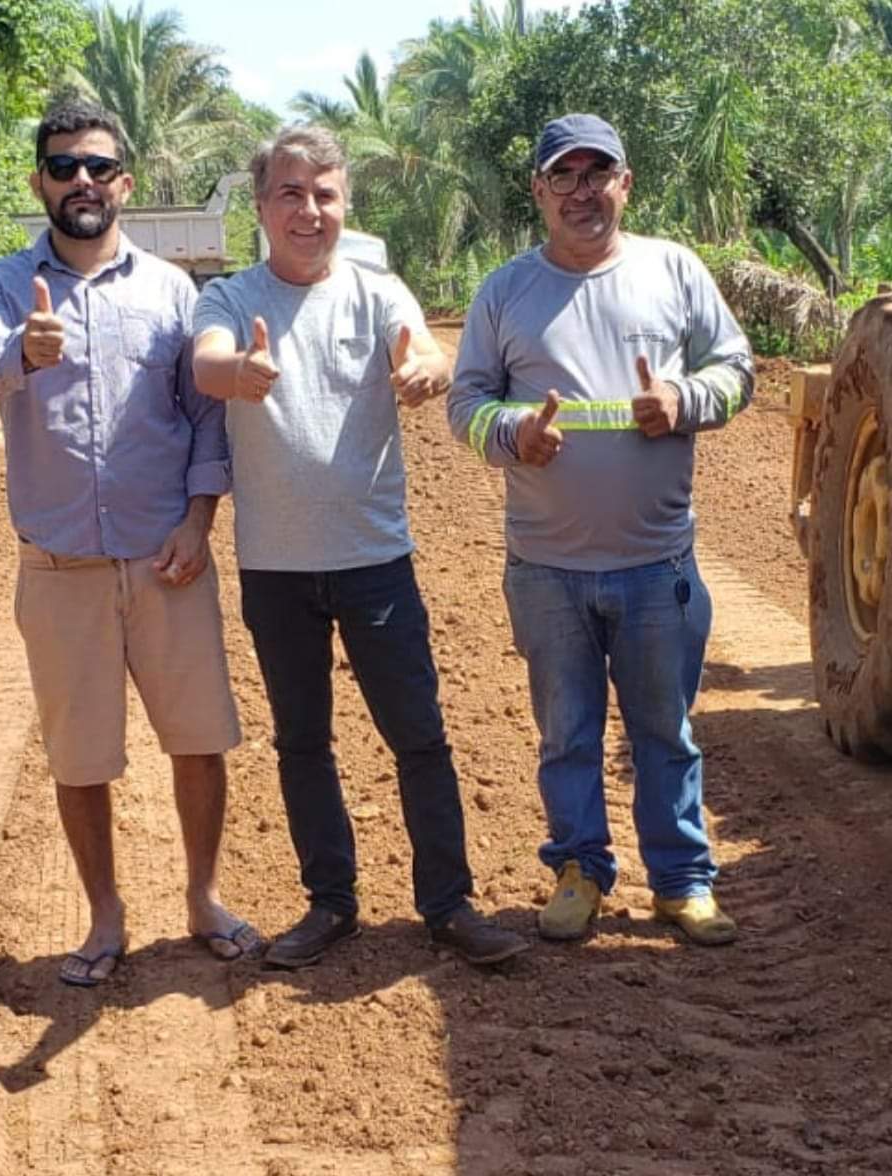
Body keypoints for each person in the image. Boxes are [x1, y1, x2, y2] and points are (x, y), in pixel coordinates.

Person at [191, 126, 528, 968]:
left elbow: (426, 348)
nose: (310, 210)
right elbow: (206, 363)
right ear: (263, 207)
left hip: (376, 560)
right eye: (291, 194)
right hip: (275, 568)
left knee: (419, 737)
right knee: (303, 742)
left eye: (325, 194)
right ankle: (330, 904)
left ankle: (448, 905)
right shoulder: (231, 299)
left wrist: (429, 368)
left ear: (345, 203)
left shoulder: (378, 292)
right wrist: (237, 373)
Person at [0, 100, 260, 986]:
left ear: (123, 182)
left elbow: (206, 422)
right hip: (59, 569)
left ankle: (202, 899)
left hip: (167, 561)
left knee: (199, 740)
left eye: (95, 166)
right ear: (38, 182)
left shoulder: (174, 291)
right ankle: (104, 915)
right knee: (79, 756)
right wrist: (23, 351)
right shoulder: (4, 286)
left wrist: (199, 524)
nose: (79, 181)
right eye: (61, 167)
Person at [449, 113, 754, 946]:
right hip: (546, 568)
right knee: (567, 735)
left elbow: (738, 370)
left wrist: (684, 401)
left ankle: (682, 882)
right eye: (565, 176)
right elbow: (465, 402)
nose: (582, 191)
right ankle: (579, 870)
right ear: (539, 191)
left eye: (598, 173)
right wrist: (516, 434)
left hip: (659, 565)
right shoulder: (505, 291)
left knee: (665, 732)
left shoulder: (674, 272)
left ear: (625, 182)